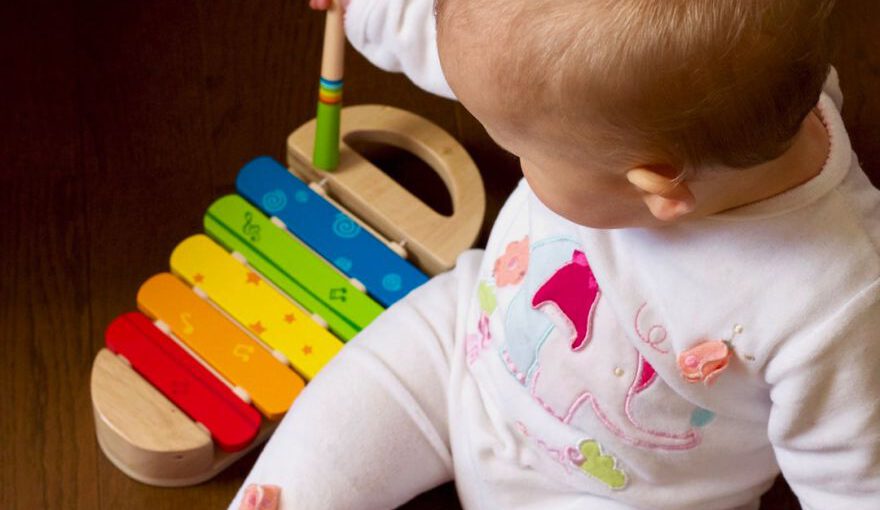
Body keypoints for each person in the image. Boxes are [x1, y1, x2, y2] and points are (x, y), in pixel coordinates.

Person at [234, 0, 880, 508]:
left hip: (613, 493)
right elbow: (479, 46)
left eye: (526, 152)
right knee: (315, 457)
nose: (517, 159)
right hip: (461, 349)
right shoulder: (728, 95)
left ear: (655, 187)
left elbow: (852, 478)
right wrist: (371, 7)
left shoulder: (836, 303)